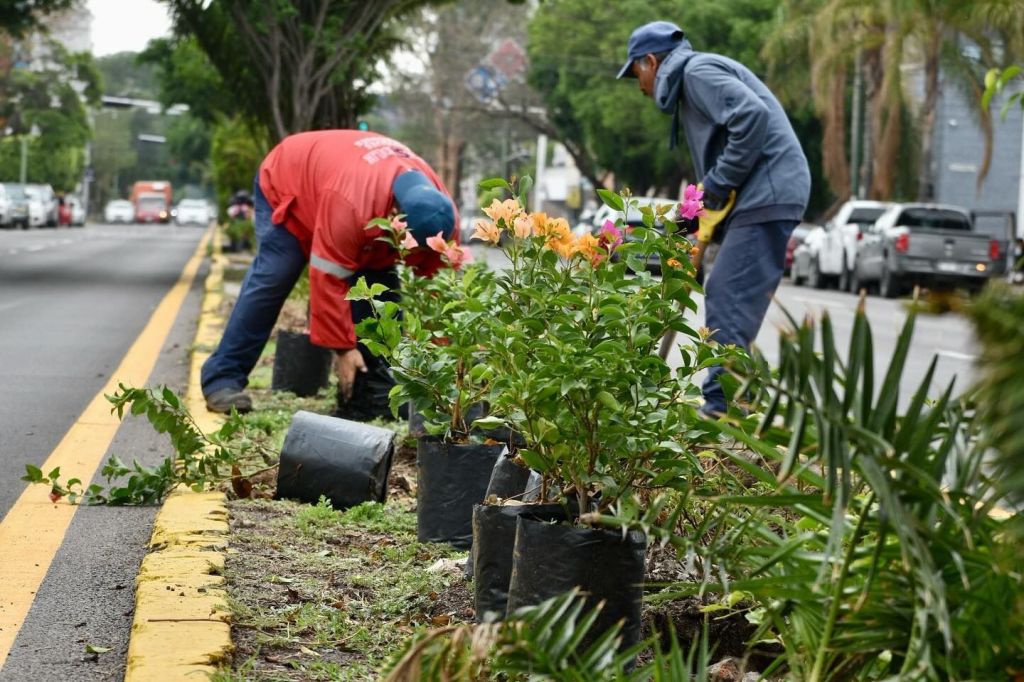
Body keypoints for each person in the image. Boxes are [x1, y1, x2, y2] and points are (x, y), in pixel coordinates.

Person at [618, 20, 811, 416]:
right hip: (760, 195)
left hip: (769, 192)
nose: (639, 87)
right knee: (725, 291)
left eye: (637, 73)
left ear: (651, 62)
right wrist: (694, 227)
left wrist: (717, 184)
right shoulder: (693, 83)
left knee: (728, 293)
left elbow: (751, 117)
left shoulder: (696, 72)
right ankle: (741, 399)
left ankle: (724, 407)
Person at [201, 129, 458, 415]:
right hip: (289, 181)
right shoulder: (351, 205)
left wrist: (445, 362)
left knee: (380, 295)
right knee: (276, 273)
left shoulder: (441, 212)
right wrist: (344, 349)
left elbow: (441, 290)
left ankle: (370, 395)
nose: (413, 258)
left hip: (347, 194)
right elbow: (327, 277)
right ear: (396, 217)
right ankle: (222, 377)